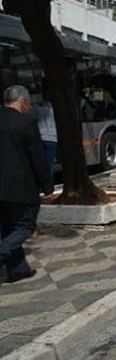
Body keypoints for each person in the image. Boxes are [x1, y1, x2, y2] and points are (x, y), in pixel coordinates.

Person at [0, 85, 53, 283]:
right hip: (20, 188)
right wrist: (47, 186)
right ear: (22, 102)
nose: (30, 108)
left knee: (8, 227)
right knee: (25, 226)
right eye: (28, 104)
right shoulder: (26, 123)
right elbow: (37, 158)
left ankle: (18, 269)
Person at [32, 97, 58, 178]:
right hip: (52, 138)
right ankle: (48, 183)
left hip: (40, 137)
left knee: (40, 163)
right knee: (49, 164)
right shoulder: (53, 109)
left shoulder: (35, 108)